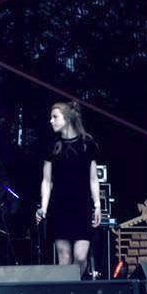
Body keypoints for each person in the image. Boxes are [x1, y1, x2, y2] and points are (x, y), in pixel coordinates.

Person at [35, 101, 101, 276]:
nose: (51, 121)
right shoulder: (52, 146)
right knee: (64, 258)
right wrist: (43, 207)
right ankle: (68, 290)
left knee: (80, 257)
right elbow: (46, 181)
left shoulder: (87, 144)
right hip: (59, 207)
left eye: (55, 117)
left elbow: (93, 178)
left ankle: (75, 285)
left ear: (68, 118)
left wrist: (97, 205)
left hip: (82, 206)